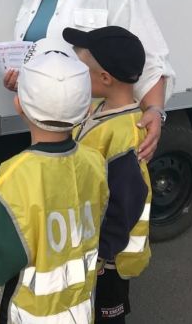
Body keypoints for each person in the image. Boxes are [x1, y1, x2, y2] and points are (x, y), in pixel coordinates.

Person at [2, 0, 174, 162]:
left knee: (101, 196)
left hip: (98, 128)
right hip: (48, 128)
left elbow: (148, 54)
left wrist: (155, 110)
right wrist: (21, 78)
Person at [0, 39, 109, 323]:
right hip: (78, 308)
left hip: (30, 314)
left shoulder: (14, 176)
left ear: (19, 104)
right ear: (83, 111)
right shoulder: (95, 162)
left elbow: (2, 258)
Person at [64, 26, 152, 323]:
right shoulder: (97, 107)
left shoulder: (127, 135)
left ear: (104, 78)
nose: (76, 76)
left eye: (81, 70)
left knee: (107, 314)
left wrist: (100, 254)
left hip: (110, 259)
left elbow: (126, 203)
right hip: (94, 245)